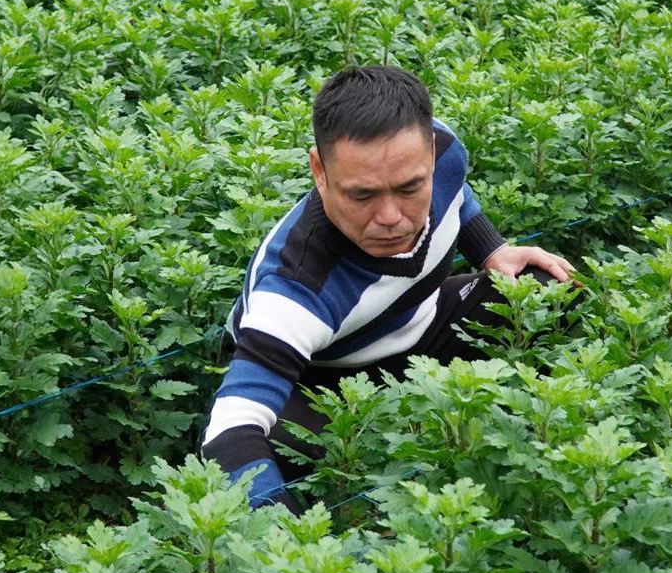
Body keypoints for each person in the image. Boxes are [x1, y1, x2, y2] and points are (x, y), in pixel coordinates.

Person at [201, 65, 577, 512]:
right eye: (362, 195)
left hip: (422, 324)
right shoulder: (295, 288)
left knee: (545, 289)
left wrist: (492, 250)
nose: (391, 217)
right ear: (319, 170)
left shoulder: (444, 149)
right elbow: (228, 432)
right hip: (325, 382)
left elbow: (458, 193)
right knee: (284, 451)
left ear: (431, 155)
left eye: (409, 187)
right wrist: (287, 539)